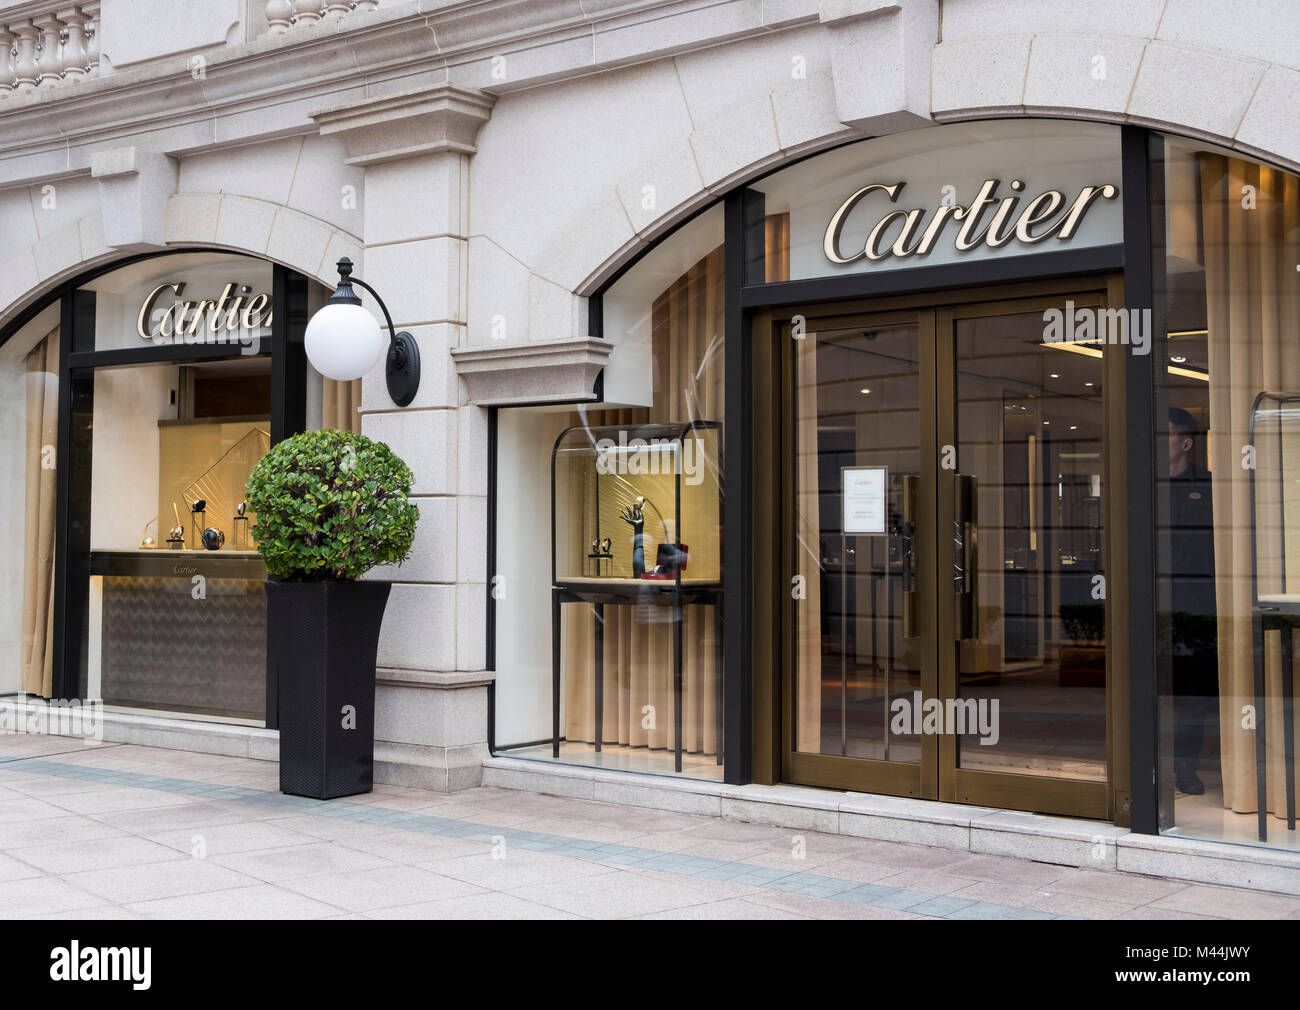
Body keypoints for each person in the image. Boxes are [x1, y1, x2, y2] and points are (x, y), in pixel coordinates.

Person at [1168, 407, 1218, 796]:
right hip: (1149, 604)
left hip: (1197, 607)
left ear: (1186, 444)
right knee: (1149, 689)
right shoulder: (1140, 485)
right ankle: (1140, 766)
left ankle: (1186, 766)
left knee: (1192, 697)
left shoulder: (1211, 488)